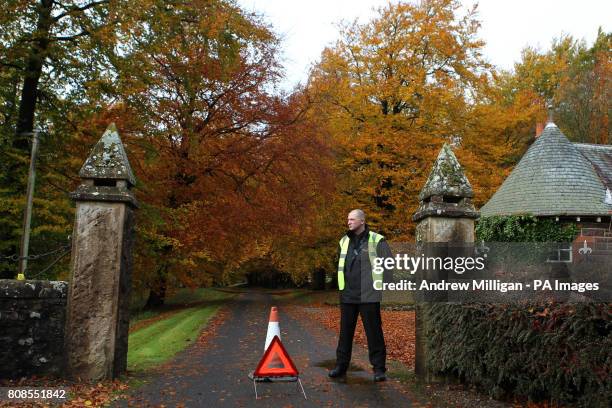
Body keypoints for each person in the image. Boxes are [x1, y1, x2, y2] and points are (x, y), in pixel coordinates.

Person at [328, 209, 393, 382]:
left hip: (369, 296)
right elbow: (340, 266)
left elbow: (388, 266)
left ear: (362, 221)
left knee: (374, 333)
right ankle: (341, 366)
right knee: (345, 333)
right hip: (348, 295)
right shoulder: (343, 241)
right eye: (347, 219)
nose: (348, 222)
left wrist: (380, 287)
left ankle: (379, 369)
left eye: (352, 219)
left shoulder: (377, 240)